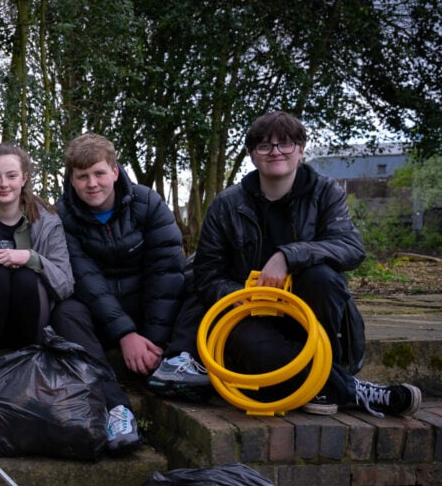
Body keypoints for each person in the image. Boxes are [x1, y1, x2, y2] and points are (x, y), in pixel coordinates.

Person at [173, 110, 420, 416]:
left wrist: (288, 255)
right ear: (252, 155)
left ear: (301, 150)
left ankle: (320, 381)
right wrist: (247, 297)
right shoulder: (226, 205)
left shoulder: (325, 192)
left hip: (310, 314)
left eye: (285, 143)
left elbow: (351, 248)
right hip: (249, 316)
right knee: (245, 344)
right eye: (264, 145)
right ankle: (347, 390)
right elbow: (206, 277)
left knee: (322, 277)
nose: (275, 151)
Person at [0, 143, 140, 451]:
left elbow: (66, 284)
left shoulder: (48, 220)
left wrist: (29, 257)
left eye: (11, 175)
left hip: (34, 317)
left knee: (28, 273)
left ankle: (32, 356)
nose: (4, 184)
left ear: (24, 177)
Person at [57, 133, 188, 377]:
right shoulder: (62, 215)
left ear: (114, 172)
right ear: (72, 180)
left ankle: (173, 362)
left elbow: (164, 272)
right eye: (82, 177)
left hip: (147, 307)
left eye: (99, 173)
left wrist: (152, 342)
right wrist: (125, 334)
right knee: (66, 311)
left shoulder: (148, 203)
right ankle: (106, 387)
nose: (92, 183)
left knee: (193, 278)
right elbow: (85, 279)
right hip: (100, 315)